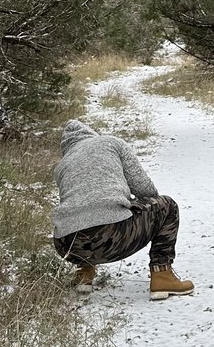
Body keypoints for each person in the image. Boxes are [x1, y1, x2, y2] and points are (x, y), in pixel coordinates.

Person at [52, 118, 195, 298]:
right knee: (167, 206)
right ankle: (162, 276)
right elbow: (145, 190)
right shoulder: (111, 143)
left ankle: (84, 274)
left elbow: (77, 207)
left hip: (67, 246)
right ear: (91, 134)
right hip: (113, 237)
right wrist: (132, 206)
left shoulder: (62, 165)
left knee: (81, 216)